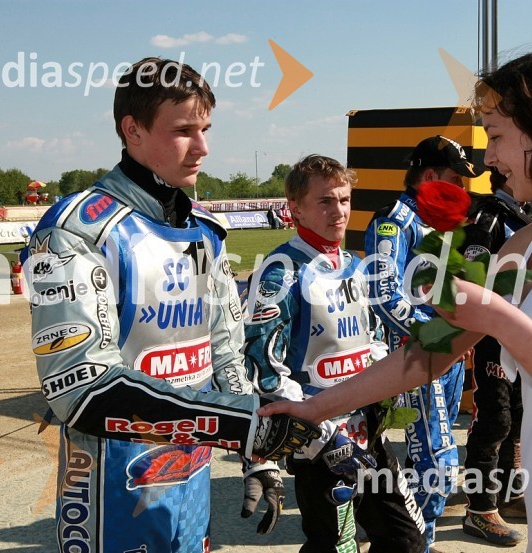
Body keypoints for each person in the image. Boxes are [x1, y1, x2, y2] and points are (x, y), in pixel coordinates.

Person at [262, 47, 532, 552]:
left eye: (496, 136)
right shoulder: (525, 245)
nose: (490, 159)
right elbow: (430, 351)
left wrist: (502, 319)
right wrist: (317, 408)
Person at [22, 57, 318, 553]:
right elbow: (82, 391)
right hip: (112, 488)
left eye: (205, 129)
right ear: (132, 130)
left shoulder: (205, 230)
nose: (202, 147)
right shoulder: (75, 229)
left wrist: (257, 456)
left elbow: (224, 353)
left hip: (192, 481)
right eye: (184, 131)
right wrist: (246, 426)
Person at [244, 154, 426, 552]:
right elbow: (261, 367)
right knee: (334, 546)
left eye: (344, 200)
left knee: (407, 538)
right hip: (320, 443)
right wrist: (320, 435)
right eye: (326, 201)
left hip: (368, 430)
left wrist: (386, 389)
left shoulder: (356, 265)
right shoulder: (280, 271)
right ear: (296, 208)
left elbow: (372, 338)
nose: (339, 211)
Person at [363, 134, 474, 550]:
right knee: (440, 468)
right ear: (429, 176)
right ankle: (408, 544)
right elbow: (383, 293)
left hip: (448, 355)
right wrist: (434, 337)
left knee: (428, 464)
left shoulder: (439, 222)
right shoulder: (394, 220)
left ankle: (412, 539)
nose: (461, 189)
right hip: (414, 357)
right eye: (454, 179)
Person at [457, 179, 532, 545]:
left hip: (523, 333)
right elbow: (473, 280)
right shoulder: (489, 217)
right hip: (493, 336)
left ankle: (508, 493)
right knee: (494, 418)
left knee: (518, 415)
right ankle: (479, 508)